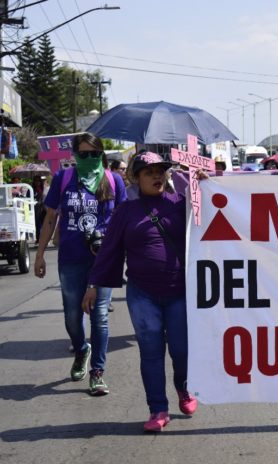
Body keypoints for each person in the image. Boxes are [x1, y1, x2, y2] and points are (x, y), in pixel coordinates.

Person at [82, 151, 200, 432]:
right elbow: (109, 251)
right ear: (135, 178)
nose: (157, 175)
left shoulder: (182, 204)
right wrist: (93, 286)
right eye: (149, 172)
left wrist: (203, 187)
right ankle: (158, 408)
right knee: (151, 352)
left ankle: (184, 388)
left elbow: (214, 218)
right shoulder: (125, 212)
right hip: (142, 294)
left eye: (161, 170)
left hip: (179, 291)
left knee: (182, 351)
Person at [34, 132, 126, 396]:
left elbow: (122, 221)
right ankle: (82, 349)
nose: (89, 158)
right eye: (83, 154)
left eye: (94, 154)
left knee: (99, 318)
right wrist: (39, 255)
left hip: (103, 259)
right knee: (72, 318)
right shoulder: (63, 179)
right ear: (75, 155)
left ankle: (97, 372)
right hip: (71, 259)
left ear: (101, 155)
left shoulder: (114, 180)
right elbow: (50, 218)